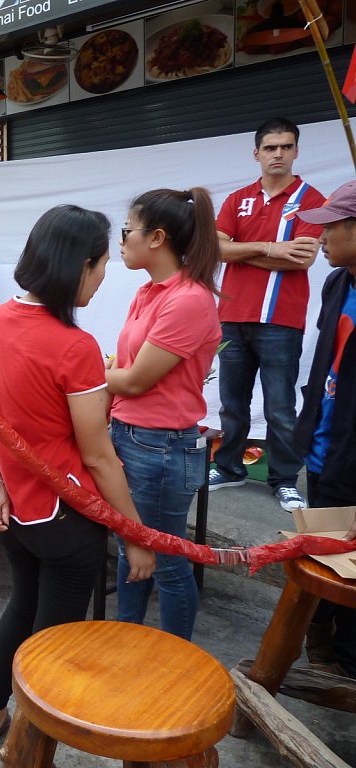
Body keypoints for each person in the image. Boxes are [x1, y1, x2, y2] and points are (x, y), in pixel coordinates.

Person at [0, 205, 155, 752]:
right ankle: (29, 746)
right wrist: (136, 536)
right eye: (101, 267)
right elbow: (99, 459)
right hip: (66, 519)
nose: (103, 278)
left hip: (17, 513)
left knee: (21, 606)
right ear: (80, 265)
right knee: (54, 641)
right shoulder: (76, 346)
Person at [105, 188, 222, 640]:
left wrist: (83, 374)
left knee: (167, 562)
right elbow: (126, 369)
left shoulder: (188, 300)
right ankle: (126, 644)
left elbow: (135, 380)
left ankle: (174, 664)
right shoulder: (148, 292)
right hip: (132, 435)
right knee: (130, 549)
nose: (122, 241)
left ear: (156, 238)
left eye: (127, 231)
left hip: (161, 446)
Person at [210, 117, 325, 511]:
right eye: (271, 147)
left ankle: (284, 479)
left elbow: (302, 258)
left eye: (286, 147)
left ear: (296, 151)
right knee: (231, 403)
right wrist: (274, 248)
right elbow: (217, 249)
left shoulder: (312, 200)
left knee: (279, 407)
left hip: (281, 319)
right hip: (233, 315)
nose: (278, 154)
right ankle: (229, 468)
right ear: (256, 153)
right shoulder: (236, 198)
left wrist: (243, 249)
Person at [293, 183, 356, 678]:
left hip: (353, 453)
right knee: (324, 551)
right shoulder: (337, 281)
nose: (322, 233)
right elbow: (325, 364)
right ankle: (320, 638)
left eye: (332, 224)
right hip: (324, 444)